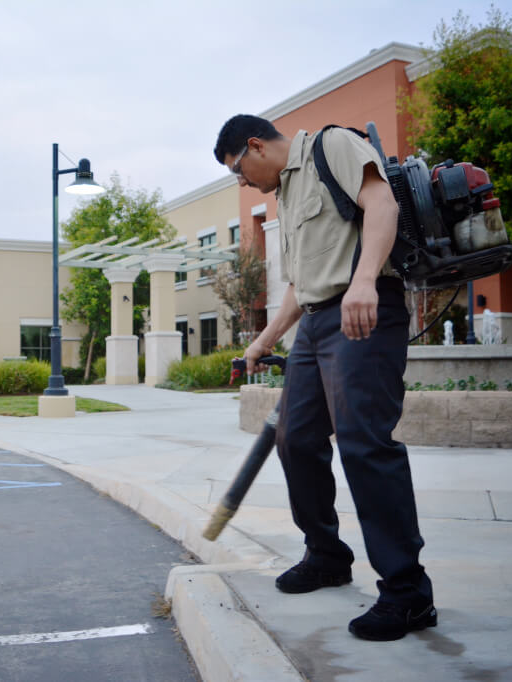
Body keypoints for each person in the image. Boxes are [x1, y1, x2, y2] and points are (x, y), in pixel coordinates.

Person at [213, 114, 435, 641]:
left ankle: (408, 593)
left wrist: (362, 283)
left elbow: (382, 204)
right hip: (315, 324)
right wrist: (264, 341)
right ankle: (327, 554)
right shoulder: (288, 194)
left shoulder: (332, 145)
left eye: (239, 171)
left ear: (254, 146)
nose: (242, 183)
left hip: (363, 309)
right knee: (296, 438)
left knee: (364, 444)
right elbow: (302, 281)